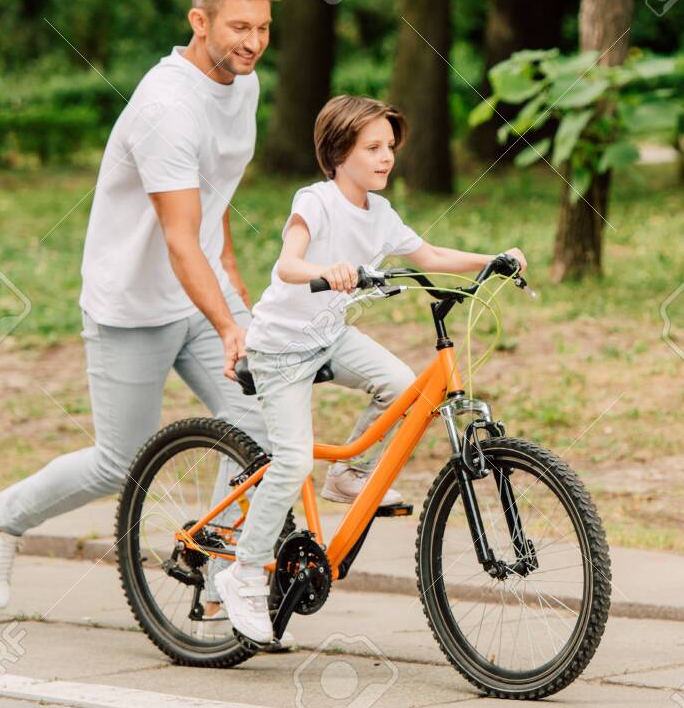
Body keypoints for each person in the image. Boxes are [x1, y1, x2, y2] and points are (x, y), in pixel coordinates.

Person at [0, 0, 285, 613]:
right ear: (199, 22)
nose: (252, 42)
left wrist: (233, 290)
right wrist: (230, 324)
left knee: (260, 426)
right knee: (121, 461)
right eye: (237, 26)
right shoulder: (166, 106)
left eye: (262, 27)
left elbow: (214, 193)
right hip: (132, 304)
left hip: (198, 292)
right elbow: (176, 235)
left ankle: (225, 563)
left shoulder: (243, 86)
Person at [213, 94, 527, 644]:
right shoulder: (315, 201)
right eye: (373, 147)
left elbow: (426, 256)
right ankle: (242, 573)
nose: (387, 158)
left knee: (406, 388)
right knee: (289, 463)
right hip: (282, 347)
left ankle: (348, 474)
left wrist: (489, 259)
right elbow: (287, 265)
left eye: (390, 147)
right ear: (339, 152)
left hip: (330, 337)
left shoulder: (381, 214)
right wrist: (327, 271)